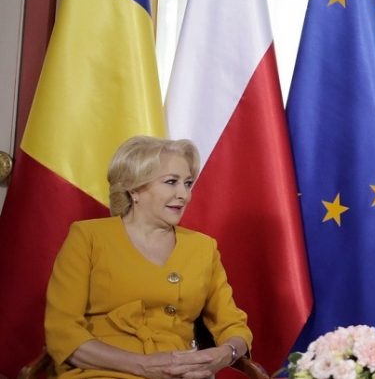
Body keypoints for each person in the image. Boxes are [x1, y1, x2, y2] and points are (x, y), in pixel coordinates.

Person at [44, 136, 252, 379]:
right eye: (171, 182)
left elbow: (233, 326)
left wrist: (225, 354)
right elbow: (62, 331)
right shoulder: (88, 237)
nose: (184, 195)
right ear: (134, 189)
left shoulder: (203, 248)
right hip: (102, 372)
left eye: (187, 183)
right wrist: (143, 365)